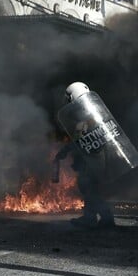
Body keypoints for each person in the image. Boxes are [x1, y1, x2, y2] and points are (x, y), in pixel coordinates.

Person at [54, 82, 115, 229]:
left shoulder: (84, 116)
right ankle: (90, 217)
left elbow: (79, 140)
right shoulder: (93, 112)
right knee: (89, 188)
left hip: (92, 159)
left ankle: (106, 218)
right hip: (96, 157)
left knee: (89, 188)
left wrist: (65, 151)